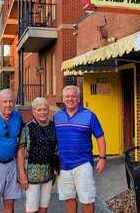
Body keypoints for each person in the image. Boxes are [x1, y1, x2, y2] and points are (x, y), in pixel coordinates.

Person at [54, 85, 106, 213]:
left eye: (73, 96)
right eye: (67, 96)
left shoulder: (89, 115)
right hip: (63, 165)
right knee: (69, 198)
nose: (70, 99)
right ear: (63, 99)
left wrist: (102, 158)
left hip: (82, 163)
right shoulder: (57, 116)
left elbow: (100, 137)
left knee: (87, 199)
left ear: (78, 99)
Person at [17, 97, 57, 213]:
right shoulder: (28, 128)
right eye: (39, 110)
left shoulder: (53, 126)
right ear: (34, 112)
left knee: (44, 208)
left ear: (48, 110)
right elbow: (21, 151)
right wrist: (22, 174)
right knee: (31, 209)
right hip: (32, 175)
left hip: (48, 173)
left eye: (45, 109)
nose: (42, 112)